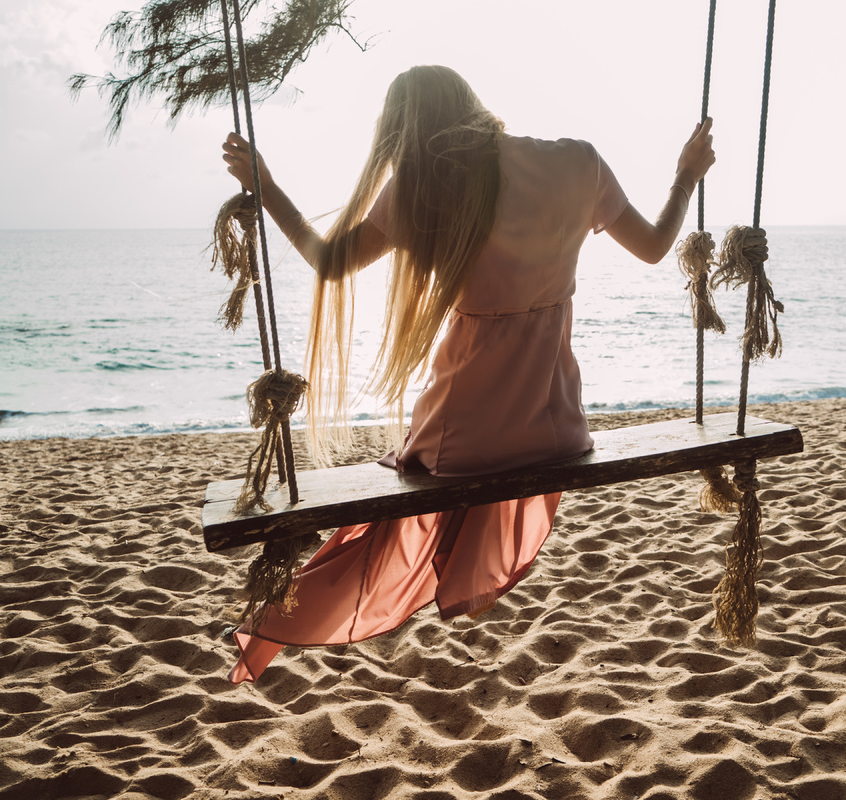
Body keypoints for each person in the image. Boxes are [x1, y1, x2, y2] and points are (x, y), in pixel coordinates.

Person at [220, 65, 714, 683]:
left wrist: (265, 187)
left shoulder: (420, 191)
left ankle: (281, 621)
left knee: (380, 521)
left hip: (463, 443)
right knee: (403, 508)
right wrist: (685, 177)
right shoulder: (579, 163)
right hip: (558, 430)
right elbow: (656, 245)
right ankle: (447, 577)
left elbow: (328, 262)